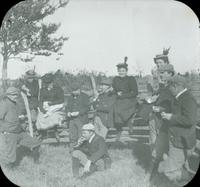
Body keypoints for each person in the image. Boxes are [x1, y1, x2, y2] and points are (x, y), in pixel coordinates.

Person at [158, 75, 197, 184]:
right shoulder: (178, 97)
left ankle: (186, 177)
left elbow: (190, 120)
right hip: (176, 139)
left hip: (181, 141)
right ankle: (184, 176)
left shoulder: (188, 99)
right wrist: (164, 110)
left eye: (169, 87)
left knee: (169, 172)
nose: (168, 90)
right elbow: (178, 112)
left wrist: (171, 117)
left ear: (175, 86)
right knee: (168, 167)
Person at [0, 87, 41, 167]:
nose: (15, 96)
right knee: (11, 155)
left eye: (16, 94)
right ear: (8, 95)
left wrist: (21, 117)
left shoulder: (16, 104)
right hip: (10, 133)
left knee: (35, 143)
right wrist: (3, 131)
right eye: (13, 95)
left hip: (19, 131)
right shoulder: (4, 104)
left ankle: (36, 162)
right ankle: (11, 169)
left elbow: (14, 116)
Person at [112, 57, 138, 141]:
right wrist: (116, 93)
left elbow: (135, 92)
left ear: (126, 71)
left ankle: (128, 124)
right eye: (119, 71)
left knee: (120, 109)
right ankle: (118, 129)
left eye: (123, 71)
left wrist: (123, 95)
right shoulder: (116, 79)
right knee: (115, 108)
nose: (121, 72)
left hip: (129, 100)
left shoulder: (131, 79)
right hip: (119, 99)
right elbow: (114, 90)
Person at [36, 73, 64, 141]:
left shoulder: (58, 89)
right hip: (45, 106)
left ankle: (55, 131)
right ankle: (42, 133)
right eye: (46, 83)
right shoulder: (42, 90)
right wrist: (42, 110)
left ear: (52, 82)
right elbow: (40, 101)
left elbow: (61, 100)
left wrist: (52, 103)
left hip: (56, 107)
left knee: (53, 116)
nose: (48, 84)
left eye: (50, 83)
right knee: (41, 117)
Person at [66, 85, 90, 152]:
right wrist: (68, 112)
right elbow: (67, 107)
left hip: (81, 119)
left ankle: (81, 150)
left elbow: (87, 108)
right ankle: (72, 150)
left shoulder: (85, 96)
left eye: (74, 91)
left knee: (81, 135)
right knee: (72, 135)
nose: (73, 92)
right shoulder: (70, 97)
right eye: (72, 91)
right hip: (72, 119)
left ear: (79, 90)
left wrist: (79, 112)